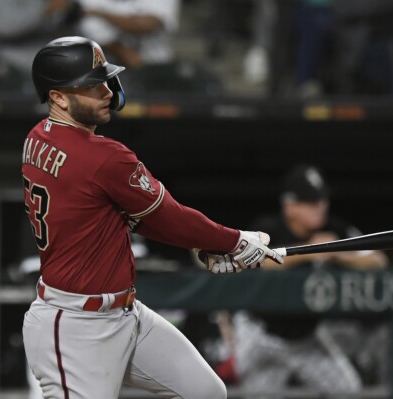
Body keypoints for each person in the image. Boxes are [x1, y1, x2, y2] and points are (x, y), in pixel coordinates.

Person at [21, 36, 283, 399]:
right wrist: (235, 241)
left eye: (104, 82)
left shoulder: (37, 138)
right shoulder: (103, 157)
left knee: (206, 392)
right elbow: (169, 216)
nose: (107, 93)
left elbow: (118, 215)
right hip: (75, 328)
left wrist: (201, 244)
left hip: (125, 314)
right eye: (92, 86)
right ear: (58, 98)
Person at [232, 165, 388, 396]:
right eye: (310, 201)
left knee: (349, 390)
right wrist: (307, 251)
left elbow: (378, 259)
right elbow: (254, 262)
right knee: (250, 394)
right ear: (289, 205)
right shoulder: (267, 228)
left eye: (322, 200)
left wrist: (337, 252)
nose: (320, 207)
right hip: (262, 335)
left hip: (308, 338)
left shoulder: (333, 229)